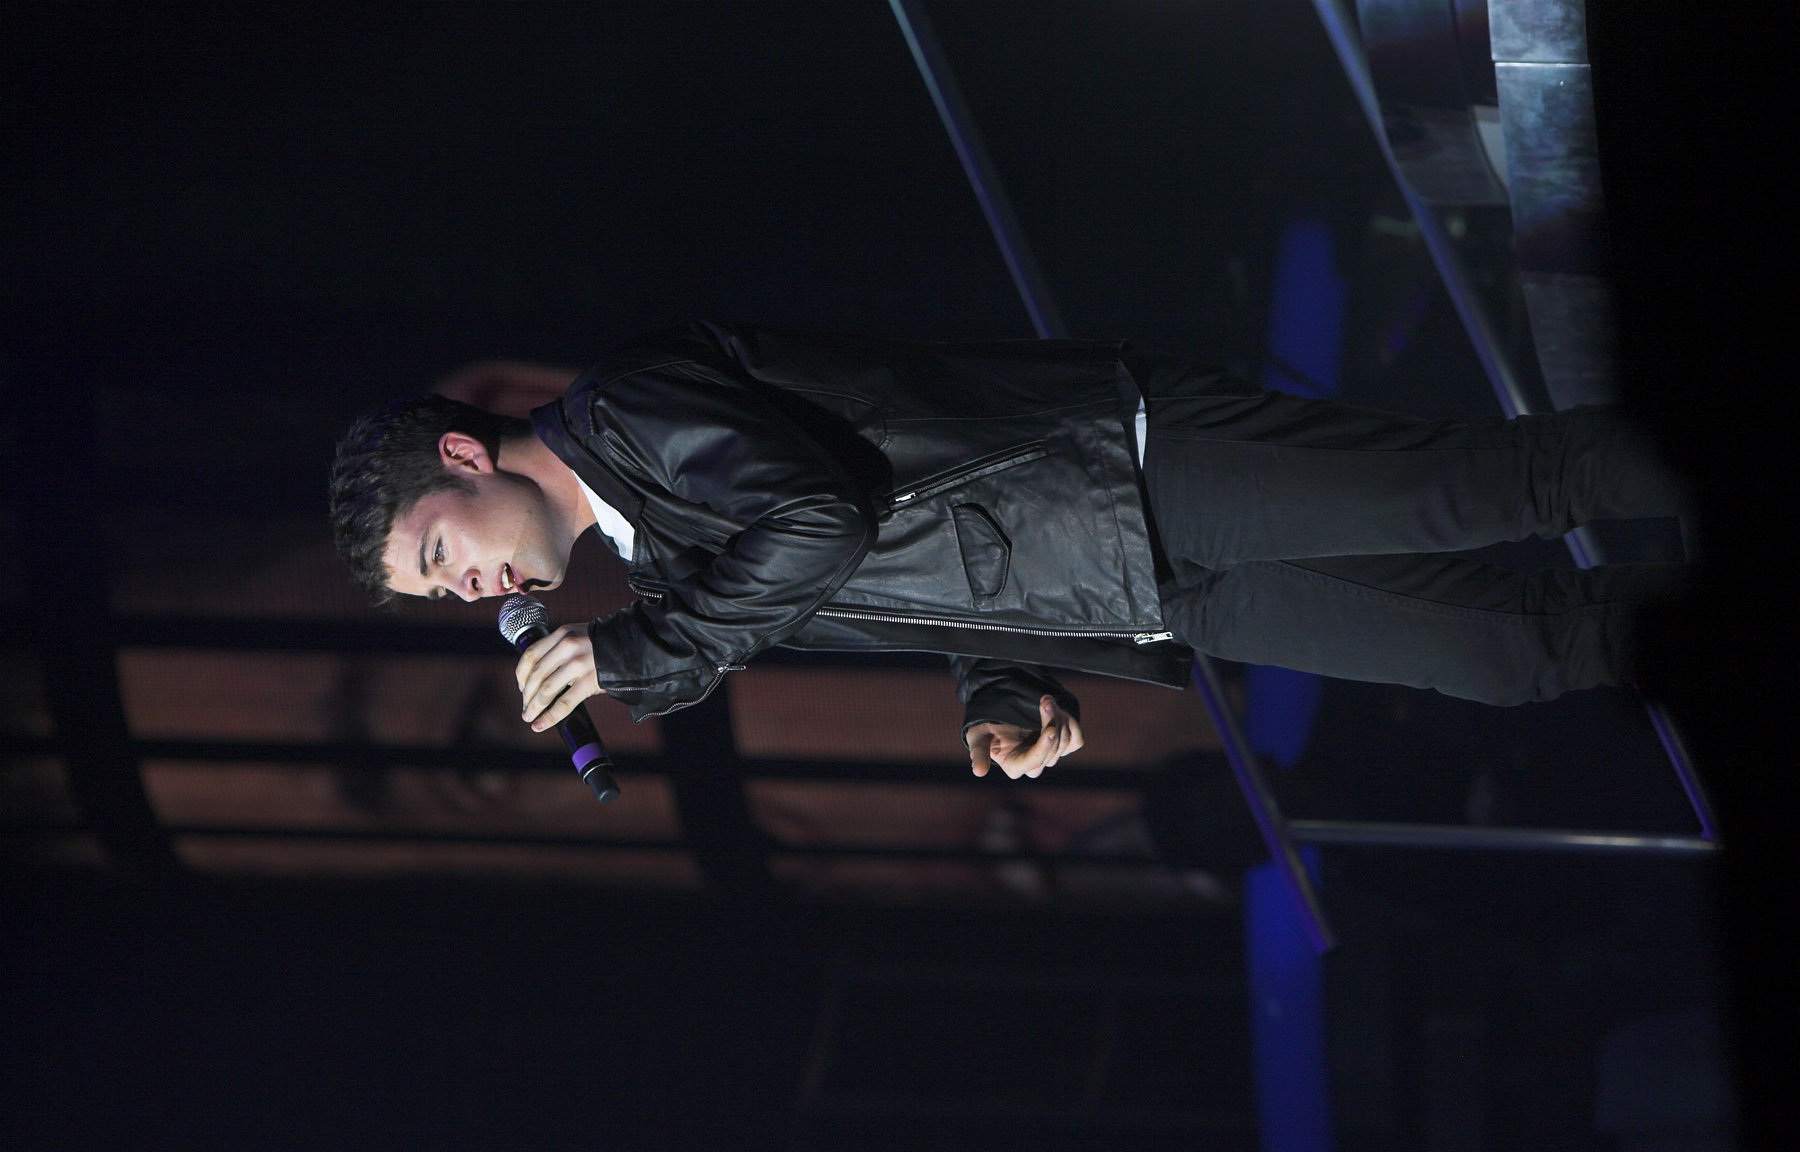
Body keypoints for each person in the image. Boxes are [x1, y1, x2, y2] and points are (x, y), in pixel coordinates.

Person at [328, 322, 1691, 781]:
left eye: (440, 553)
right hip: (1134, 592)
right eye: (441, 594)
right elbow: (891, 568)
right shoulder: (668, 569)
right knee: (1507, 656)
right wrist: (996, 687)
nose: (470, 590)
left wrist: (647, 653)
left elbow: (821, 515)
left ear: (464, 457)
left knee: (1496, 490)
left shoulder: (627, 411)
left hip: (1131, 472)